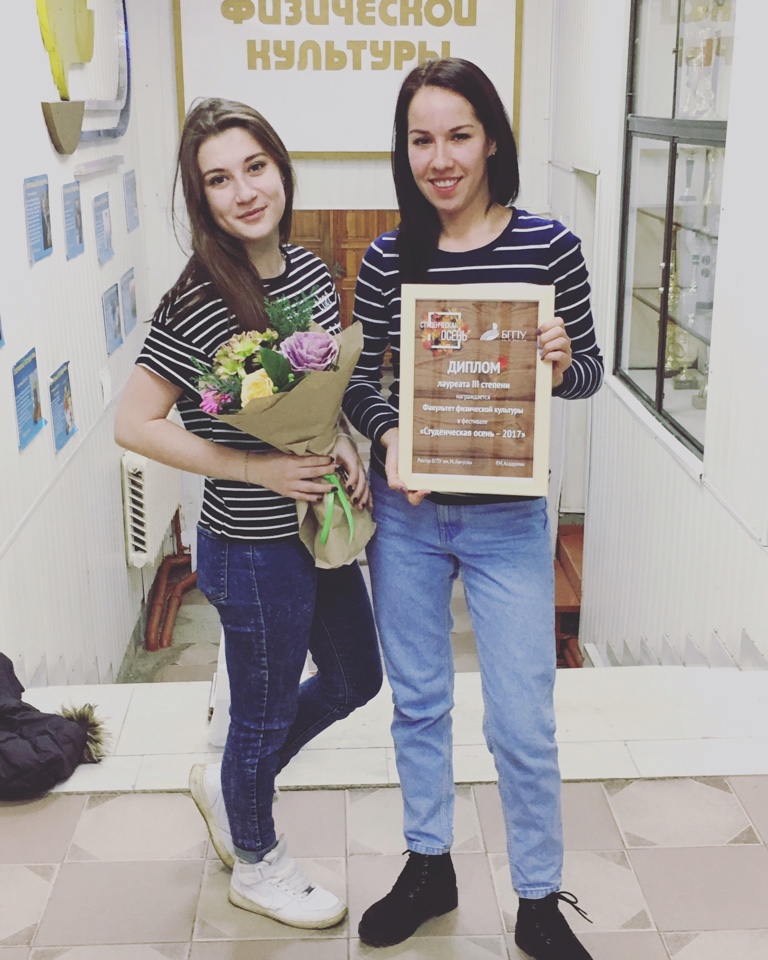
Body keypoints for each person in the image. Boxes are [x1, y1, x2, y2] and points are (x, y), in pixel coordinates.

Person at [343, 59, 603, 959]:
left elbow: (588, 373)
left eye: (459, 135)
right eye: (421, 140)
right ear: (404, 150)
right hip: (408, 518)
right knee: (418, 704)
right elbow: (359, 387)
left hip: (508, 522)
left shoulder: (550, 247)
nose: (440, 158)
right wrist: (389, 436)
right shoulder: (388, 257)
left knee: (522, 720)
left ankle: (538, 898)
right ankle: (429, 865)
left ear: (492, 138)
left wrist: (561, 359)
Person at [115, 97, 382, 930]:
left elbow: (321, 389)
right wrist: (251, 466)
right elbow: (134, 422)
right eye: (219, 180)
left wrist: (340, 440)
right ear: (202, 198)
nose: (244, 192)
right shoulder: (198, 299)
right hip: (250, 546)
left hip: (316, 526)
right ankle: (258, 862)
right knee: (261, 713)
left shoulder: (308, 270)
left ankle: (233, 784)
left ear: (281, 169)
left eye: (255, 168)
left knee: (356, 678)